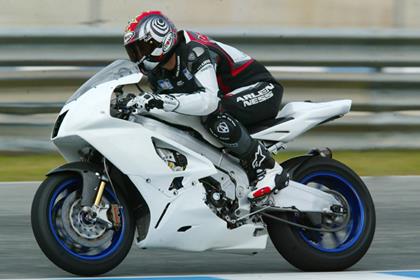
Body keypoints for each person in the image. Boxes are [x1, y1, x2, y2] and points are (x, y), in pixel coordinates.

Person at [124, 11, 288, 200]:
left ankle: (268, 167)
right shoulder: (157, 74)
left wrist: (163, 101)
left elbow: (209, 101)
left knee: (214, 115)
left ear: (162, 40)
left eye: (142, 48)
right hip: (228, 100)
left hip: (261, 89)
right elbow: (178, 110)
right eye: (134, 51)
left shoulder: (193, 50)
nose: (139, 56)